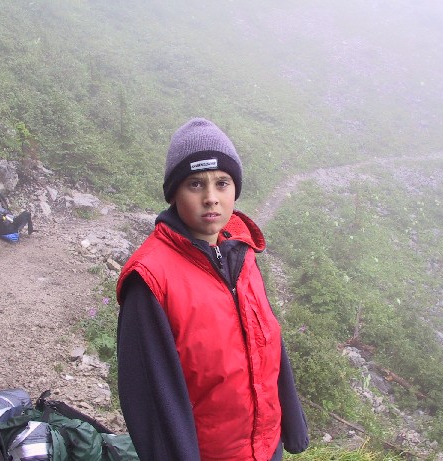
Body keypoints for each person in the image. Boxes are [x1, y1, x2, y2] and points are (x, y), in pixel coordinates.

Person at [116, 118, 309, 461]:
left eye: (222, 183)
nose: (211, 198)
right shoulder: (150, 280)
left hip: (266, 449)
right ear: (174, 193)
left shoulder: (242, 254)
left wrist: (291, 423)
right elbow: (153, 401)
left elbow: (267, 340)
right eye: (195, 184)